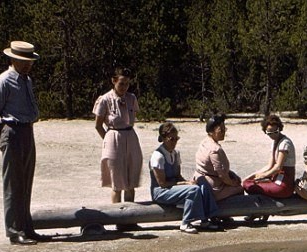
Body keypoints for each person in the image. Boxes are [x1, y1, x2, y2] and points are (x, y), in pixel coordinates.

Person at [0, 40, 42, 245]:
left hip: (27, 130)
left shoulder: (26, 80)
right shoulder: (3, 81)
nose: (28, 65)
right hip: (11, 131)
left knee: (26, 181)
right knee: (12, 184)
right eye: (24, 61)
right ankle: (14, 230)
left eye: (30, 61)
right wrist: (2, 140)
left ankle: (26, 227)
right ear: (13, 60)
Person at [148, 122, 220, 234]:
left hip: (172, 187)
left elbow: (178, 176)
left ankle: (208, 217)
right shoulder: (158, 156)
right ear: (163, 139)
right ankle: (186, 222)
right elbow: (162, 183)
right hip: (160, 191)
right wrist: (185, 184)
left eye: (176, 139)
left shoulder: (176, 154)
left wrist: (188, 182)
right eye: (171, 139)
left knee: (202, 183)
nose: (174, 142)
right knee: (193, 190)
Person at [93, 67, 143, 206]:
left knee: (131, 181)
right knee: (117, 181)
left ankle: (130, 214)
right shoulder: (105, 99)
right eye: (121, 83)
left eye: (127, 84)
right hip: (113, 138)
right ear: (114, 81)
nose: (124, 87)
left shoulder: (131, 98)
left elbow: (131, 117)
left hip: (130, 137)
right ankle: (117, 213)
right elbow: (98, 125)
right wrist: (108, 139)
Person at [242, 114, 296, 198]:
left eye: (275, 132)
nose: (273, 135)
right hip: (276, 179)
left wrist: (263, 175)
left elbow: (278, 167)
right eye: (270, 133)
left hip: (284, 184)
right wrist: (252, 176)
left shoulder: (285, 143)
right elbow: (269, 166)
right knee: (247, 182)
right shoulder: (275, 142)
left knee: (249, 186)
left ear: (279, 129)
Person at [195, 114, 244, 202]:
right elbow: (222, 176)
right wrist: (233, 183)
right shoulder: (215, 150)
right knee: (240, 189)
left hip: (200, 179)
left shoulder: (204, 142)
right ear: (211, 132)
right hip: (213, 187)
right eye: (221, 130)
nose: (224, 132)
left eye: (224, 129)